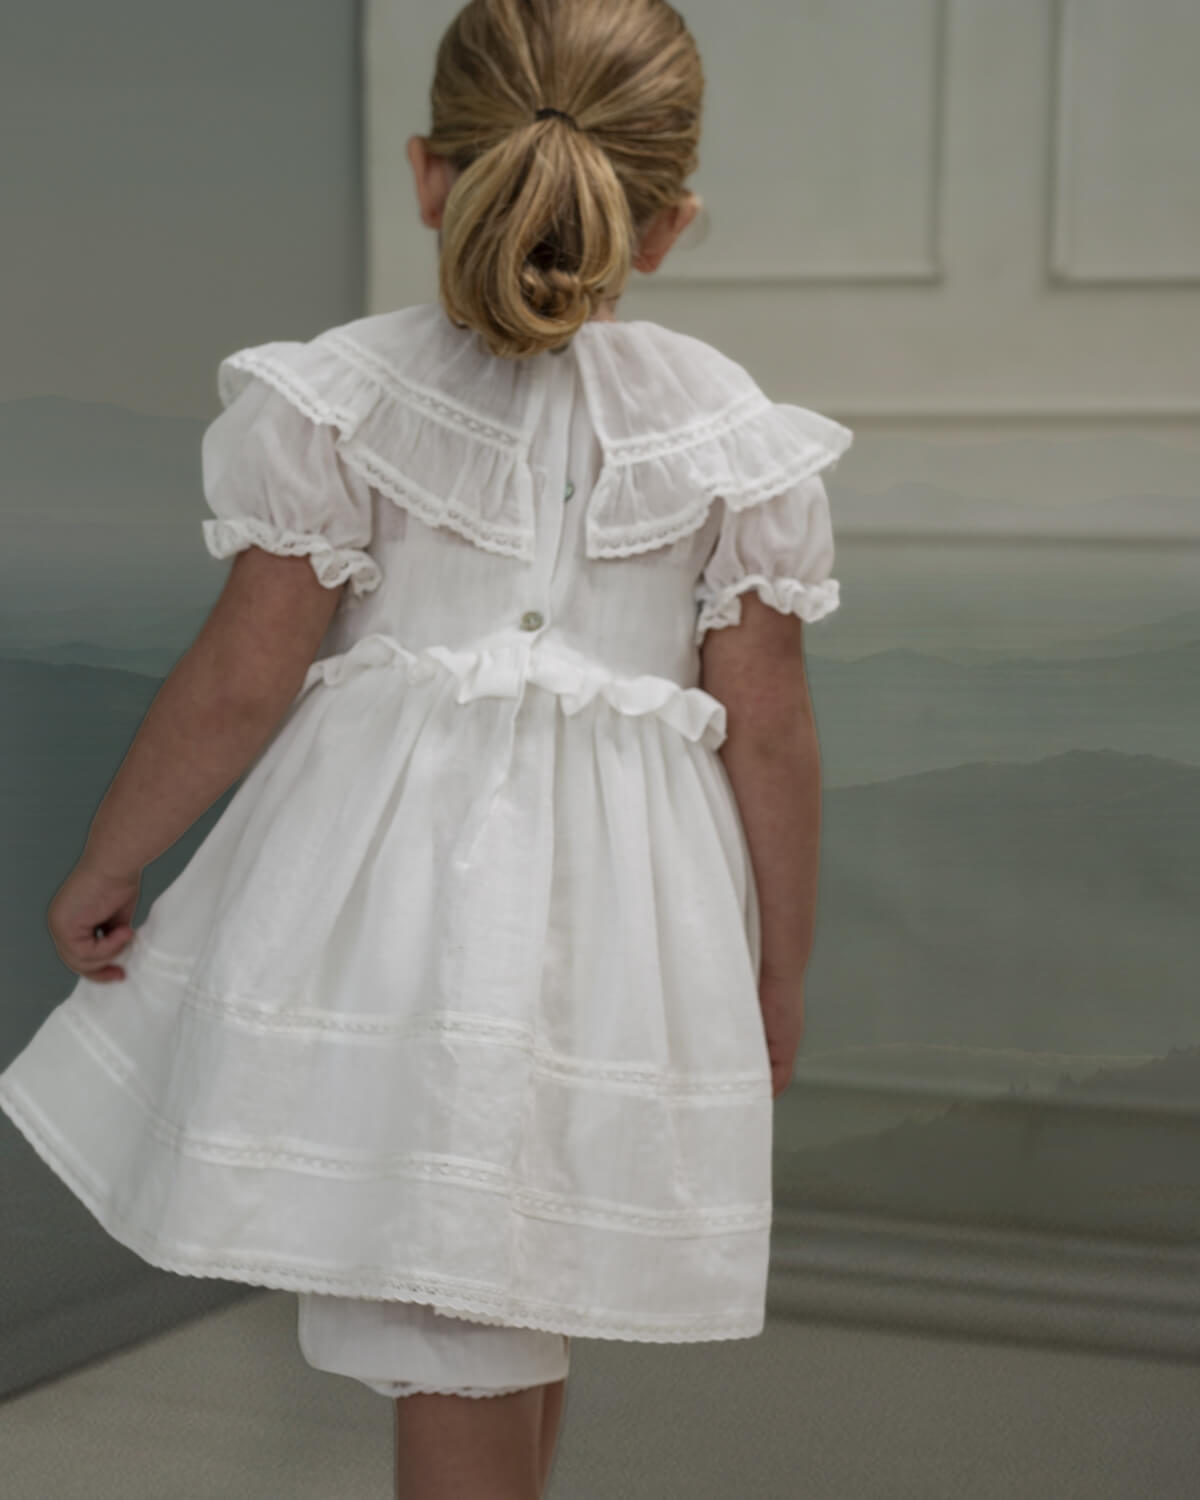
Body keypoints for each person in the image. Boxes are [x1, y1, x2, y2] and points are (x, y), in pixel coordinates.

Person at [0, 1, 852, 1495]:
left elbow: (242, 680)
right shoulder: (728, 427)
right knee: (508, 1287)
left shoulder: (343, 394)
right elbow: (769, 733)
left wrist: (109, 863)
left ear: (427, 174)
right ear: (666, 222)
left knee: (455, 1301)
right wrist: (775, 964)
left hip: (394, 911)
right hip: (627, 930)